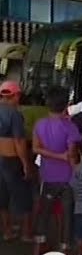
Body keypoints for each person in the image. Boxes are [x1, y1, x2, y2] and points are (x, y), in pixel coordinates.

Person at [32, 86, 82, 255]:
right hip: (67, 178)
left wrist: (54, 155)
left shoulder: (40, 124)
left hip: (47, 175)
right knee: (68, 213)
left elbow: (36, 148)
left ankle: (39, 245)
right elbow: (72, 154)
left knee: (44, 211)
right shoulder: (70, 127)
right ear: (66, 105)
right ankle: (65, 247)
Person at [0, 80, 33, 242]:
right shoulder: (14, 114)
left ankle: (7, 231)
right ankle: (26, 233)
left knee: (3, 198)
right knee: (24, 197)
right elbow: (19, 142)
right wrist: (26, 164)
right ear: (15, 95)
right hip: (12, 160)